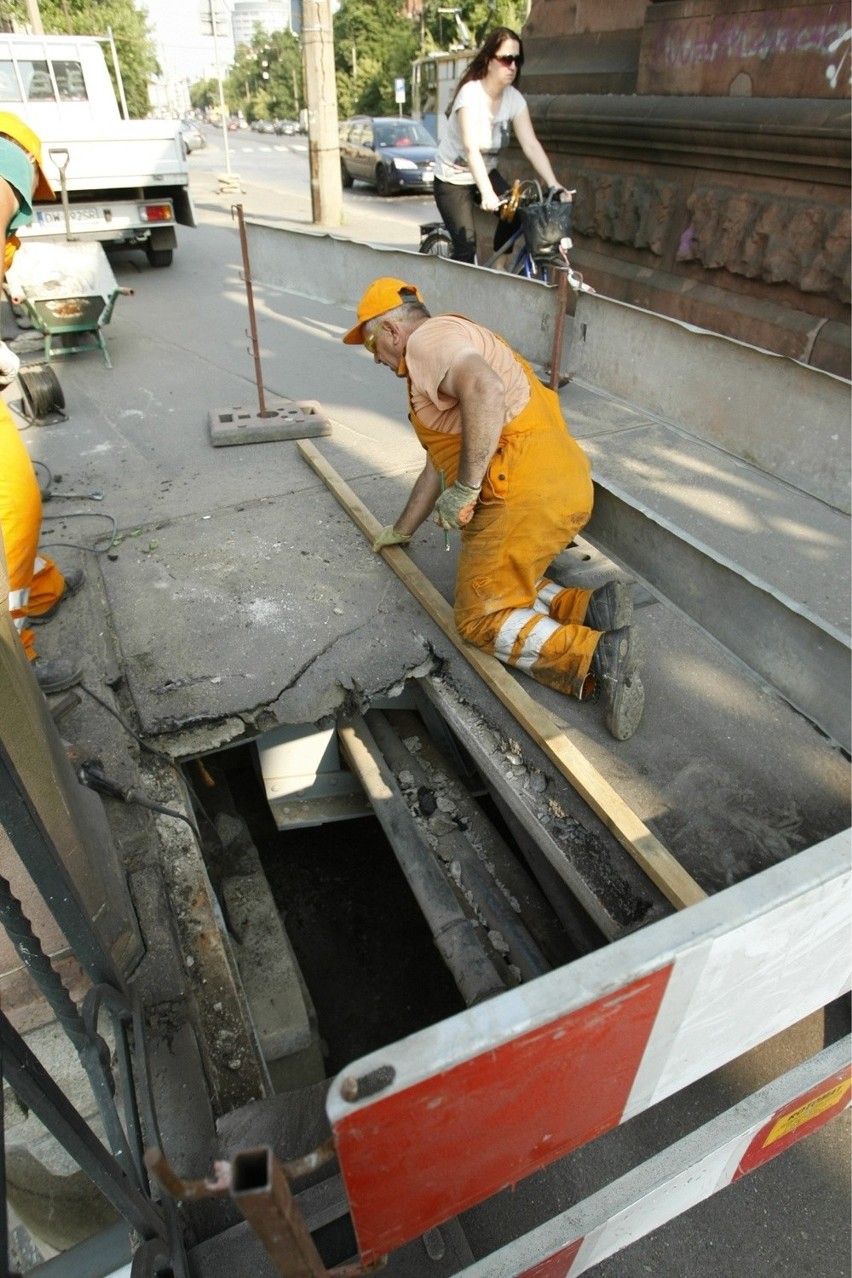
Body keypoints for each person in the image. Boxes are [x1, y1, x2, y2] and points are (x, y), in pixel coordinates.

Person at [343, 278, 645, 740]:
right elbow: (433, 470)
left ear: (390, 330)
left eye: (371, 346)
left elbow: (484, 389)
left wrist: (465, 489)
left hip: (522, 488)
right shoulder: (448, 346)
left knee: (479, 617)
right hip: (558, 482)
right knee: (500, 569)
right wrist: (401, 530)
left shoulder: (428, 341)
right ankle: (590, 607)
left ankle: (596, 654)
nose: (377, 360)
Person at [0, 112, 84, 694]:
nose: (26, 202)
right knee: (13, 515)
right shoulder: (4, 177)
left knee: (19, 511)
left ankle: (43, 589)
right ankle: (17, 663)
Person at [433, 27, 571, 264]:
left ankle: (499, 267)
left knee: (520, 213)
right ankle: (451, 297)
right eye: (507, 59)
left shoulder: (513, 100)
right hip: (452, 179)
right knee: (465, 250)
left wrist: (554, 183)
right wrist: (487, 192)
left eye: (518, 60)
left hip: (485, 173)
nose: (513, 67)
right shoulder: (470, 95)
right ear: (489, 61)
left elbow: (531, 145)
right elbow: (470, 148)